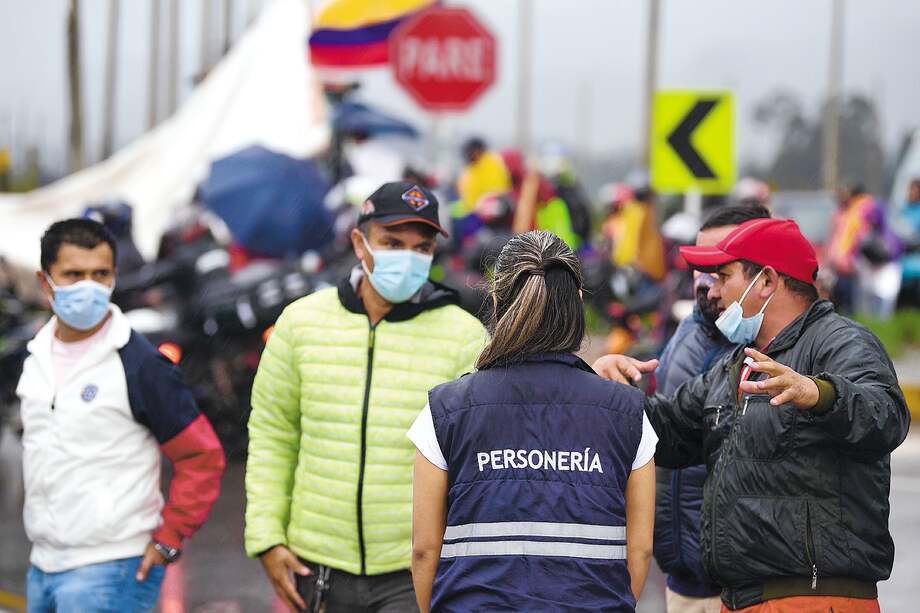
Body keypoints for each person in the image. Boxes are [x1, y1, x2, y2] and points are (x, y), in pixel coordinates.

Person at [594, 218, 910, 612]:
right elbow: (669, 431)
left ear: (765, 281)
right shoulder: (736, 364)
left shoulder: (842, 342)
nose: (713, 288)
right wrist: (610, 395)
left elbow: (886, 416)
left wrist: (820, 394)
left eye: (724, 276)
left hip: (814, 600)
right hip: (741, 598)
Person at [245, 182, 489, 613]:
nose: (407, 258)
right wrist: (266, 537)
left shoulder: (464, 336)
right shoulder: (301, 323)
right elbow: (273, 434)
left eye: (421, 247)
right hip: (316, 569)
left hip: (415, 574)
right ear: (360, 242)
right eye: (392, 242)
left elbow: (482, 458)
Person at [409, 231, 658, 612]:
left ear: (496, 300)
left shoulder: (446, 408)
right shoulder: (628, 412)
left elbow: (425, 551)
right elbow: (639, 553)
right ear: (577, 300)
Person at [18, 219, 225, 612]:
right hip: (43, 565)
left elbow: (202, 456)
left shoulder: (139, 363)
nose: (88, 287)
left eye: (100, 275)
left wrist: (169, 539)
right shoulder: (36, 357)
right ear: (46, 284)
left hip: (112, 570)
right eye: (73, 275)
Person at [654, 206, 771, 613]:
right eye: (700, 267)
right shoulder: (691, 331)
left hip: (738, 583)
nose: (707, 284)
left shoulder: (769, 350)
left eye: (720, 269)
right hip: (687, 576)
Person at [456, 137, 512, 216]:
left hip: (490, 214)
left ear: (478, 151)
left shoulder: (491, 163)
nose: (468, 155)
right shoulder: (469, 169)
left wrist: (483, 202)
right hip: (472, 212)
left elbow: (499, 190)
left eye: (470, 152)